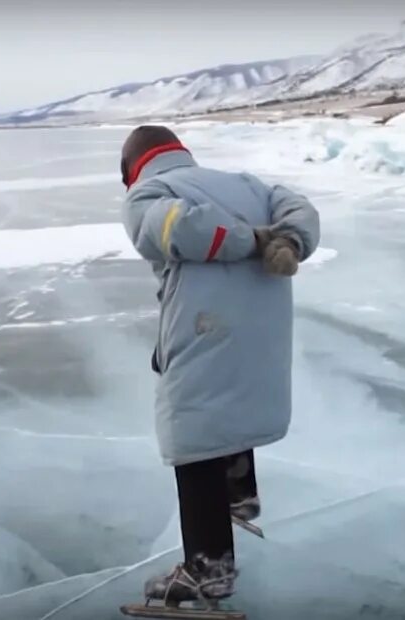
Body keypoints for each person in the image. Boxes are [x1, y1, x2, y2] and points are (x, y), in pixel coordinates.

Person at [119, 125, 320, 606]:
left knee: (194, 430)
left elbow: (171, 228)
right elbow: (300, 209)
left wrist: (250, 241)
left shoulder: (150, 192)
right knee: (234, 396)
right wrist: (286, 238)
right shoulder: (250, 185)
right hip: (260, 328)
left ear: (132, 167)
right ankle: (238, 493)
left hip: (207, 327)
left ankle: (207, 570)